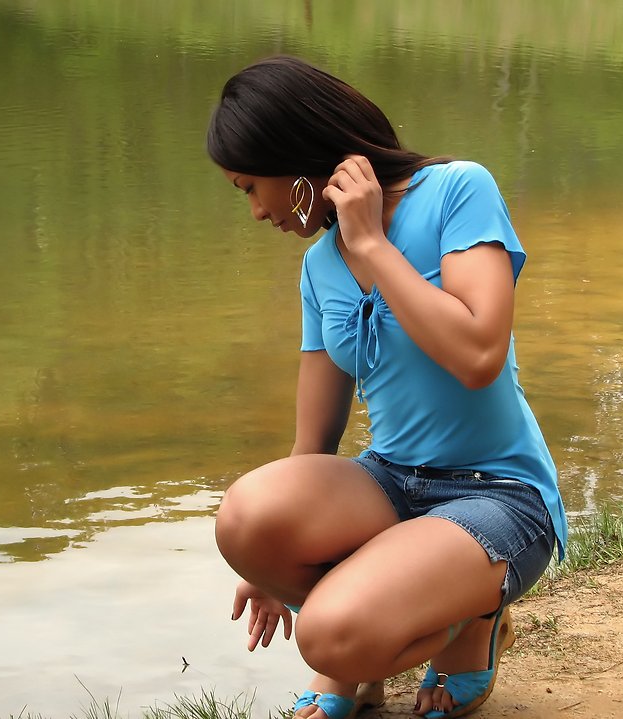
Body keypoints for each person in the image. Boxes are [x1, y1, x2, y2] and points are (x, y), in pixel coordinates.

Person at [205, 55, 568, 719]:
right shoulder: (319, 268)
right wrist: (266, 568)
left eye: (250, 186)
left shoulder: (459, 191)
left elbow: (479, 354)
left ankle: (471, 624)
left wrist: (372, 246)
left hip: (500, 496)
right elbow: (313, 443)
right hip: (392, 483)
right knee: (245, 518)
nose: (255, 211)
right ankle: (360, 657)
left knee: (326, 632)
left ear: (296, 160)